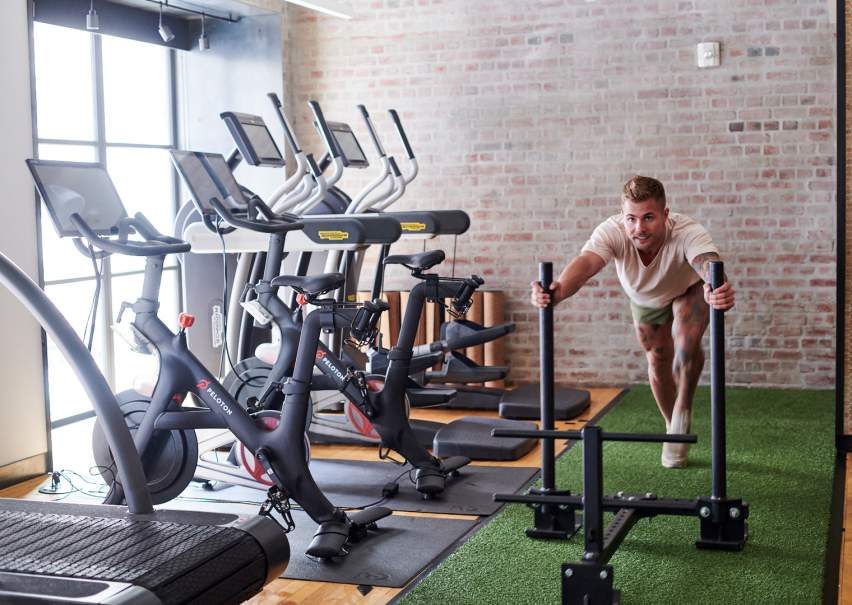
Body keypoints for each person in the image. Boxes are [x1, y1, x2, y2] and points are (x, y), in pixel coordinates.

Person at [530, 175, 734, 468]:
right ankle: (671, 426)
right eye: (632, 219)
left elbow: (707, 261)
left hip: (689, 289)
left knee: (686, 342)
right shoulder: (613, 231)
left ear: (665, 214)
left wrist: (718, 286)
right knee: (657, 360)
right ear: (623, 216)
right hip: (646, 298)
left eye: (649, 217)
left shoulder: (688, 231)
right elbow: (587, 263)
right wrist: (558, 290)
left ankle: (683, 407)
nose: (639, 228)